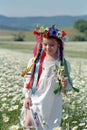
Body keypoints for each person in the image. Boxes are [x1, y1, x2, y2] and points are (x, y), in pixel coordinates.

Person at [21, 25, 73, 130]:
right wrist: (27, 96)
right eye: (45, 44)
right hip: (35, 99)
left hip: (52, 103)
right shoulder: (35, 61)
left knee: (48, 126)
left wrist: (65, 85)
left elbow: (69, 86)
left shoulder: (63, 64)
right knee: (29, 123)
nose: (48, 48)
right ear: (41, 43)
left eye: (51, 45)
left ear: (58, 44)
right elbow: (28, 80)